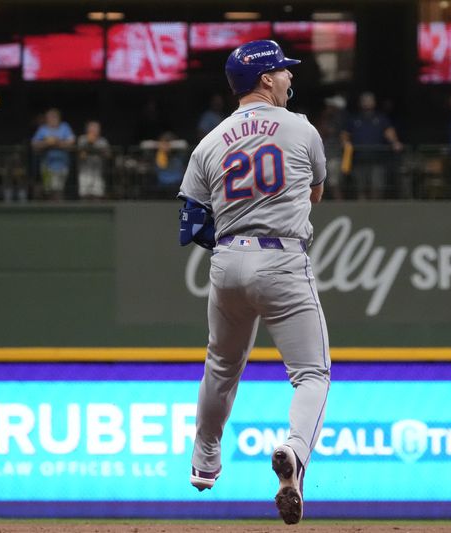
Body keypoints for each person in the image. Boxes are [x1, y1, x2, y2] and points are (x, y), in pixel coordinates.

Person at [177, 39, 330, 525]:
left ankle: (205, 460)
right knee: (312, 374)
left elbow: (192, 222)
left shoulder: (209, 141)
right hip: (282, 256)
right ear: (265, 80)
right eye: (283, 71)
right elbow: (315, 194)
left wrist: (234, 242)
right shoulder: (302, 129)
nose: (288, 77)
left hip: (227, 259)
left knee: (221, 365)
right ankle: (294, 453)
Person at [341, 91, 403, 199]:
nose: (367, 103)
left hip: (377, 160)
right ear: (360, 103)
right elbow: (345, 135)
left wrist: (395, 142)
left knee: (377, 187)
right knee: (360, 188)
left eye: (369, 100)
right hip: (358, 159)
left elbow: (389, 132)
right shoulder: (354, 119)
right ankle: (361, 213)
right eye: (364, 101)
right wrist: (345, 143)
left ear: (374, 103)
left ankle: (376, 212)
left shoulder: (381, 118)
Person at [31, 108, 75, 200]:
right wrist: (47, 143)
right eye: (49, 117)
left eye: (54, 117)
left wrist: (56, 142)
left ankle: (59, 210)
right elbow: (34, 145)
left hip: (62, 165)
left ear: (58, 118)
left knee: (59, 189)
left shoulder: (64, 127)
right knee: (48, 190)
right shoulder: (43, 129)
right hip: (46, 166)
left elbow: (71, 143)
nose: (51, 119)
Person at [316, 95, 348, 200]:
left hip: (334, 155)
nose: (327, 107)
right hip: (327, 154)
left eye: (330, 106)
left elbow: (326, 131)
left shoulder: (338, 119)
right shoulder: (330, 118)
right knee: (325, 181)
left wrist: (324, 118)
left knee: (334, 183)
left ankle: (339, 205)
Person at [76, 120, 110, 200]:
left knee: (97, 197)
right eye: (92, 128)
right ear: (87, 129)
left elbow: (108, 155)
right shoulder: (82, 139)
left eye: (96, 128)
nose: (94, 130)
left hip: (98, 173)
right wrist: (89, 143)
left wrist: (97, 147)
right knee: (84, 197)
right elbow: (81, 156)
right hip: (84, 173)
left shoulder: (103, 141)